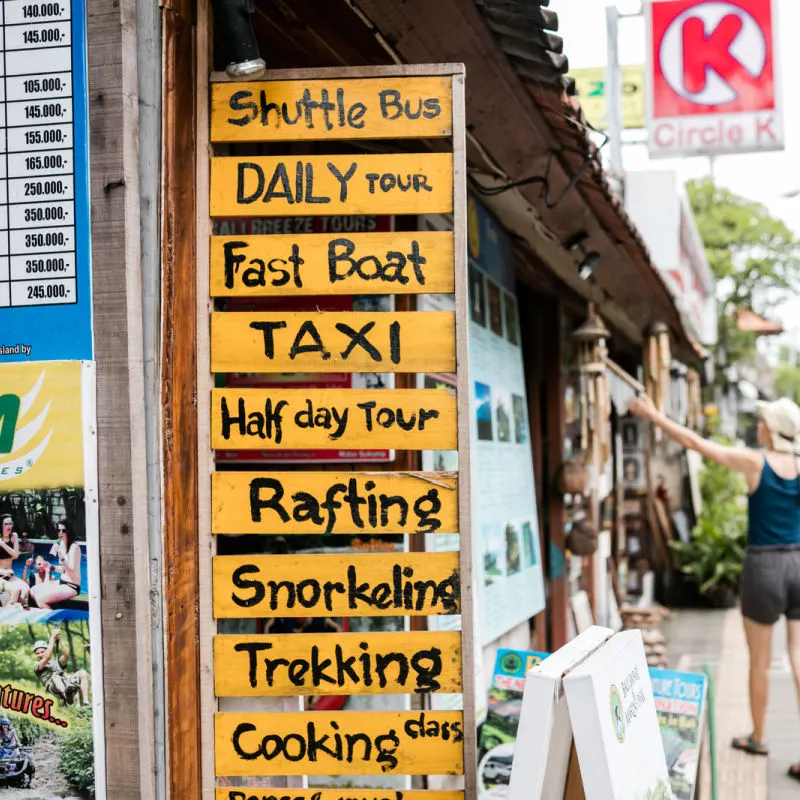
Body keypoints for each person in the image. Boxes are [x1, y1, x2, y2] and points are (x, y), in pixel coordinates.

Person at [629, 393, 800, 779]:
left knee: (758, 660)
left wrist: (655, 414)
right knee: (798, 655)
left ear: (771, 430)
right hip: (798, 563)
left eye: (762, 421)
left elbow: (695, 444)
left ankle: (758, 737)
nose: (758, 426)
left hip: (765, 566)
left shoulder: (756, 462)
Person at [30, 520, 81, 610]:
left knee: (41, 599)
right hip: (61, 582)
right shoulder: (61, 544)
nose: (61, 533)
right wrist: (52, 567)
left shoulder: (74, 547)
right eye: (59, 530)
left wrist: (61, 557)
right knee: (33, 590)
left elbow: (71, 569)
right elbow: (64, 570)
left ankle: (53, 622)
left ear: (68, 531)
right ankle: (51, 608)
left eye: (63, 531)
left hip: (71, 586)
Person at [33, 628, 90, 707]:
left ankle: (86, 702)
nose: (40, 654)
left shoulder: (56, 662)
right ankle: (66, 696)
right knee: (55, 675)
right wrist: (52, 637)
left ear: (47, 650)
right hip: (54, 688)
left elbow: (66, 655)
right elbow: (47, 657)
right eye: (37, 653)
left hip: (66, 684)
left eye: (42, 652)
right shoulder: (37, 665)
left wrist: (60, 639)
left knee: (83, 673)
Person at [0, 515, 29, 607]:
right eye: (6, 524)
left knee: (26, 588)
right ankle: (8, 614)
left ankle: (20, 612)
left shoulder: (14, 536)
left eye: (10, 524)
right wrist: (3, 572)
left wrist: (2, 544)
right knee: (15, 590)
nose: (9, 526)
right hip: (0, 576)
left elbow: (15, 555)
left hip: (10, 576)